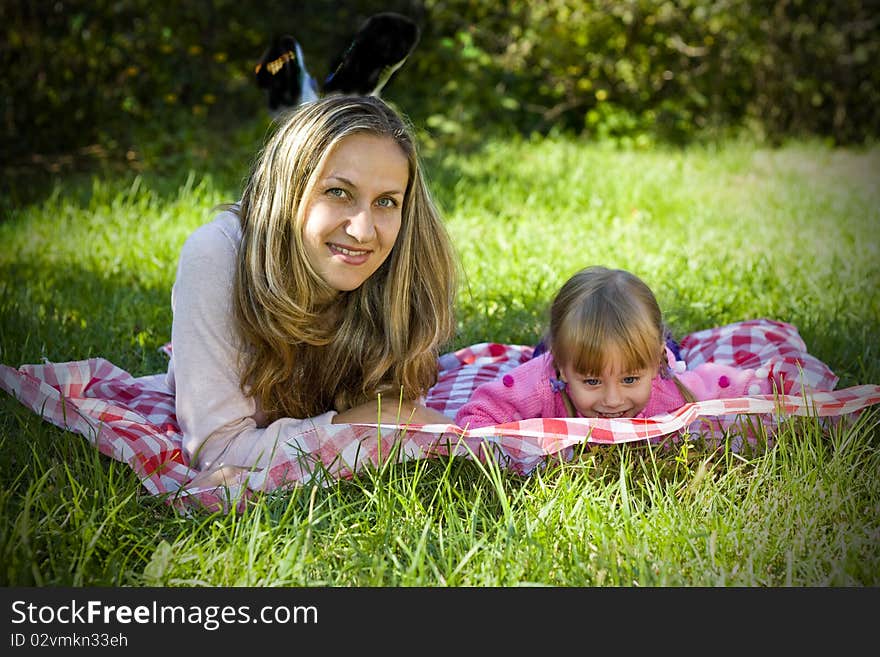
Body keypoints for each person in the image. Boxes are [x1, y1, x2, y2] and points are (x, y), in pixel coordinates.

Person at [167, 95, 457, 480]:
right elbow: (217, 451)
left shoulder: (404, 264)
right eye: (338, 192)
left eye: (386, 201)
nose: (363, 230)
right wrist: (355, 423)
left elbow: (403, 417)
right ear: (289, 188)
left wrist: (381, 420)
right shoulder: (218, 256)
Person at [454, 266, 794, 429]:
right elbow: (477, 416)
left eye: (630, 380)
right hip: (556, 352)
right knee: (547, 349)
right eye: (592, 382)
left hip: (659, 354)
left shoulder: (669, 385)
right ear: (562, 372)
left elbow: (736, 389)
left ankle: (662, 349)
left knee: (673, 354)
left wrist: (781, 385)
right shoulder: (542, 381)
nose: (613, 400)